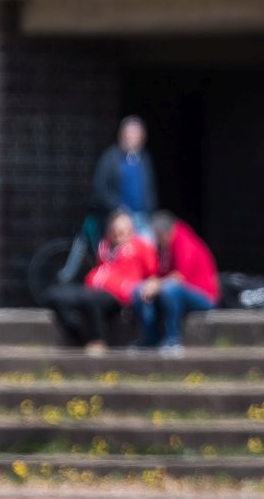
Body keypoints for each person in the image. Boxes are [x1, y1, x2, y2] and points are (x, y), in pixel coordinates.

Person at [42, 210, 158, 355]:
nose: (117, 235)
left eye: (121, 231)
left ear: (131, 231)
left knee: (92, 299)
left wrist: (151, 286)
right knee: (53, 295)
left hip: (119, 294)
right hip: (93, 289)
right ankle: (74, 334)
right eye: (114, 231)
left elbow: (153, 275)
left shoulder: (141, 247)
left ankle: (98, 340)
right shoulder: (104, 245)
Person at [135, 211, 220, 356]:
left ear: (163, 232)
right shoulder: (164, 246)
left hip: (204, 297)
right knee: (139, 290)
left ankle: (173, 340)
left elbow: (179, 277)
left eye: (156, 234)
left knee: (170, 289)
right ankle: (150, 338)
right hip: (179, 292)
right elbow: (160, 274)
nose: (155, 238)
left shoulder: (183, 240)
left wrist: (157, 285)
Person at [92, 116, 158, 239]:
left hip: (141, 218)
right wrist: (118, 208)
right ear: (121, 134)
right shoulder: (110, 158)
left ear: (142, 137)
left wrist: (150, 209)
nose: (131, 137)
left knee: (147, 250)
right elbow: (100, 189)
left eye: (135, 134)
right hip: (117, 219)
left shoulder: (144, 159)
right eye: (128, 133)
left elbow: (150, 188)